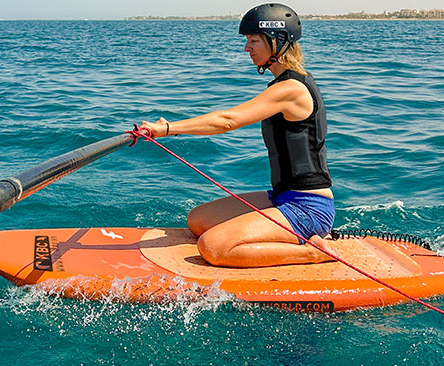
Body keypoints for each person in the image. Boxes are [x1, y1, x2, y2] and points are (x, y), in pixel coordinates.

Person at [140, 3, 335, 267]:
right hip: (281, 196)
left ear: (278, 41)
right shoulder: (285, 83)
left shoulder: (291, 89)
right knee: (197, 220)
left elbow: (228, 121)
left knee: (213, 247)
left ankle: (315, 252)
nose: (247, 48)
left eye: (253, 40)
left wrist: (167, 128)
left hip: (308, 207)